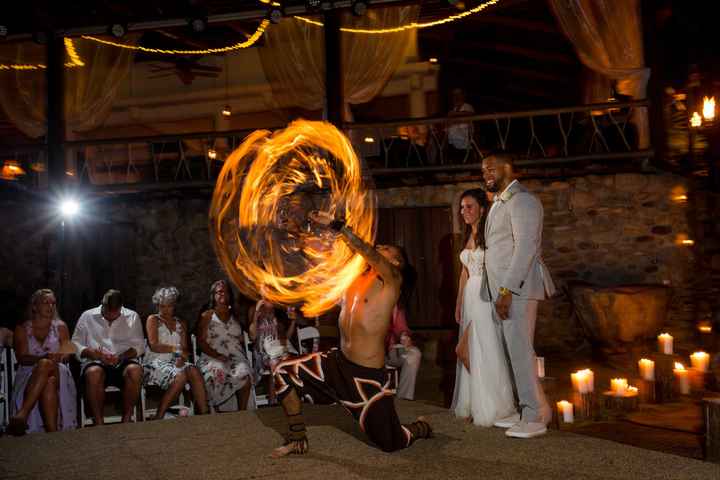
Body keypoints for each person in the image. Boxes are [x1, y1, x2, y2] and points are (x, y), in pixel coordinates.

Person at [271, 211, 432, 457]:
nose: (379, 247)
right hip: (337, 363)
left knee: (391, 443)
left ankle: (420, 428)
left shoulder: (392, 280)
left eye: (386, 248)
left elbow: (367, 251)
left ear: (396, 261)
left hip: (365, 377)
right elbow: (321, 260)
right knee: (283, 372)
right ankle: (297, 438)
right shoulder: (355, 278)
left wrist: (339, 227)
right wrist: (297, 231)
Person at [481, 153, 556, 438]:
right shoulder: (502, 202)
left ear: (509, 168)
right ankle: (533, 410)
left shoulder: (522, 200)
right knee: (516, 352)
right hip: (504, 291)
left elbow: (525, 248)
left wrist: (506, 290)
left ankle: (534, 416)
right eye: (483, 169)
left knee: (521, 352)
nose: (486, 173)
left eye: (491, 167)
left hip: (516, 291)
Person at [450, 189, 515, 427]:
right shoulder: (468, 235)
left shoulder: (491, 235)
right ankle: (478, 403)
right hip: (469, 298)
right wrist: (458, 303)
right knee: (473, 351)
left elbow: (500, 267)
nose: (464, 211)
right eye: (462, 207)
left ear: (482, 209)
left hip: (485, 297)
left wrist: (503, 296)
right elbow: (464, 273)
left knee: (470, 350)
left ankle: (494, 402)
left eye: (469, 206)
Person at [7, 289, 76, 435]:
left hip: (58, 371)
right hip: (29, 374)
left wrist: (59, 356)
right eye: (45, 302)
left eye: (53, 303)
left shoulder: (61, 327)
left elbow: (67, 352)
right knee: (48, 380)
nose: (50, 306)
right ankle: (53, 433)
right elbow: (22, 358)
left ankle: (23, 414)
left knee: (47, 365)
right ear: (34, 306)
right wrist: (42, 358)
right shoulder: (22, 329)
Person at [72, 289, 145, 425]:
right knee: (94, 373)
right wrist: (91, 353)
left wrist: (121, 357)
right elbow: (75, 344)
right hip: (96, 361)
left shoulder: (132, 316)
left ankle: (127, 419)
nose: (111, 316)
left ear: (121, 307)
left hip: (123, 361)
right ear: (102, 305)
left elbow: (139, 346)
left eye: (115, 313)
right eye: (107, 312)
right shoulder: (87, 316)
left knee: (135, 371)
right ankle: (99, 422)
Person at [144, 286, 209, 418]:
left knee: (193, 370)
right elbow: (154, 345)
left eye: (169, 306)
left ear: (174, 305)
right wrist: (176, 349)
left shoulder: (181, 323)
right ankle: (159, 416)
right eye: (162, 306)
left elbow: (184, 348)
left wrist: (182, 358)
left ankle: (204, 413)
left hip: (176, 361)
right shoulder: (153, 320)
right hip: (157, 361)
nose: (165, 310)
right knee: (180, 376)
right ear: (158, 305)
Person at [196, 280, 254, 411]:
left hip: (235, 356)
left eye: (226, 291)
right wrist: (217, 355)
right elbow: (200, 342)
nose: (223, 294)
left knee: (244, 371)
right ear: (213, 295)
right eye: (219, 292)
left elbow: (244, 336)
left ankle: (242, 412)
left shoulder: (236, 314)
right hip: (212, 356)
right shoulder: (207, 315)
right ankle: (218, 411)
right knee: (218, 371)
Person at [384, 262, 422, 401]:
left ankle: (404, 398)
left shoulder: (396, 304)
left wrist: (404, 336)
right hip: (369, 351)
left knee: (414, 354)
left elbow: (401, 328)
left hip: (390, 350)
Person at [447, 88, 475, 163]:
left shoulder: (468, 106)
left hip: (464, 143)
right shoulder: (454, 109)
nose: (456, 97)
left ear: (463, 95)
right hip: (453, 143)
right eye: (454, 95)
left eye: (458, 94)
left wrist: (454, 114)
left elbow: (470, 114)